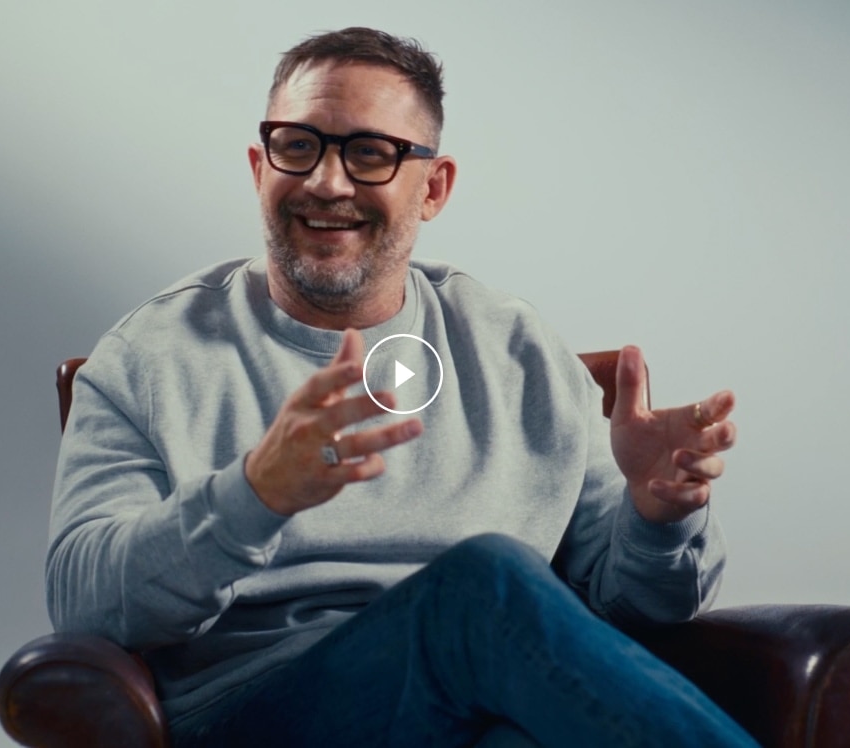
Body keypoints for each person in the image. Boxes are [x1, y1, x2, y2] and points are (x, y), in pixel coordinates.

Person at [46, 27, 757, 747]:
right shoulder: (150, 356)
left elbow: (636, 610)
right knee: (484, 584)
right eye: (299, 146)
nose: (327, 182)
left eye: (370, 153)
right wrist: (254, 493)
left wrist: (659, 519)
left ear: (434, 188)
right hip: (257, 711)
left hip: (472, 706)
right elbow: (85, 603)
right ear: (260, 168)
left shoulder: (513, 348)